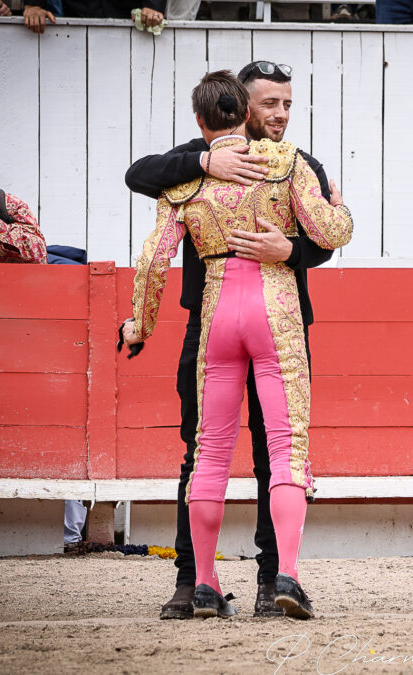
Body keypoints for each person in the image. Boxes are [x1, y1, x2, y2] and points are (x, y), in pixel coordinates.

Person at [122, 70, 352, 620]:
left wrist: (139, 326)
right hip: (275, 315)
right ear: (242, 108)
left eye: (287, 104)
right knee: (284, 450)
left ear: (203, 117)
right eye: (269, 103)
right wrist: (205, 160)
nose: (280, 113)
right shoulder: (285, 163)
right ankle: (272, 578)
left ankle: (212, 583)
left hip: (217, 313)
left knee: (207, 453)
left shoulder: (190, 182)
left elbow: (154, 259)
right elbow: (337, 231)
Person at [23, 0, 162, 33]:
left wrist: (151, 7)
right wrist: (34, 5)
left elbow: (152, 9)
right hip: (70, 28)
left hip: (129, 27)